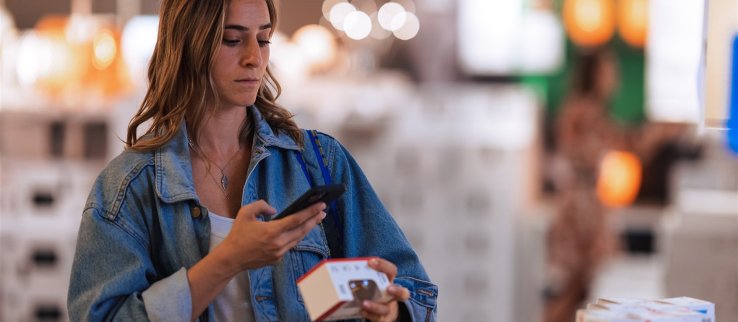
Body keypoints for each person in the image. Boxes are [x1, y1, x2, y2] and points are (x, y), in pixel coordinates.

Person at [66, 0, 438, 321]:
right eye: (232, 39)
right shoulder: (129, 188)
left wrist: (389, 311)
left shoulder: (318, 161)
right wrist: (228, 259)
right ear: (187, 45)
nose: (254, 58)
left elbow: (417, 291)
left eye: (263, 39)